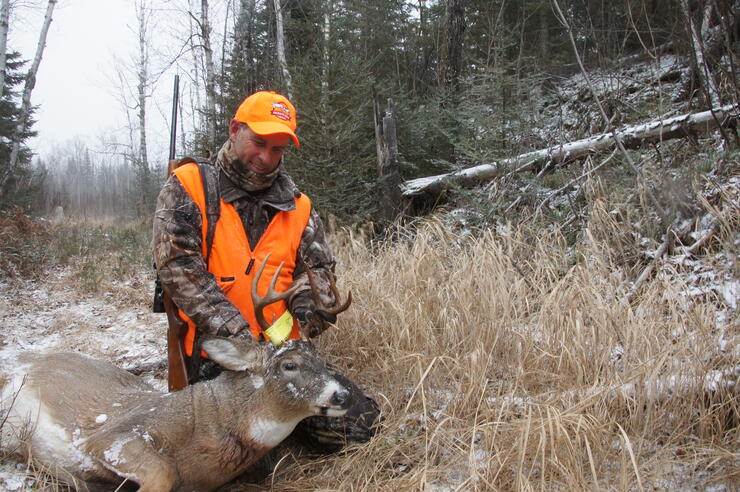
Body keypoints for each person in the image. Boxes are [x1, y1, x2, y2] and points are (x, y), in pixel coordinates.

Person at [152, 91, 379, 456]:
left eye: (277, 149)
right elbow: (178, 268)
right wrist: (241, 341)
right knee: (237, 462)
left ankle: (292, 426)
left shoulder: (298, 205)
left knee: (358, 425)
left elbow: (317, 272)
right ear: (235, 129)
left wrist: (310, 315)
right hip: (220, 356)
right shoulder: (189, 186)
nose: (265, 158)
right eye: (259, 142)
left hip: (286, 356)